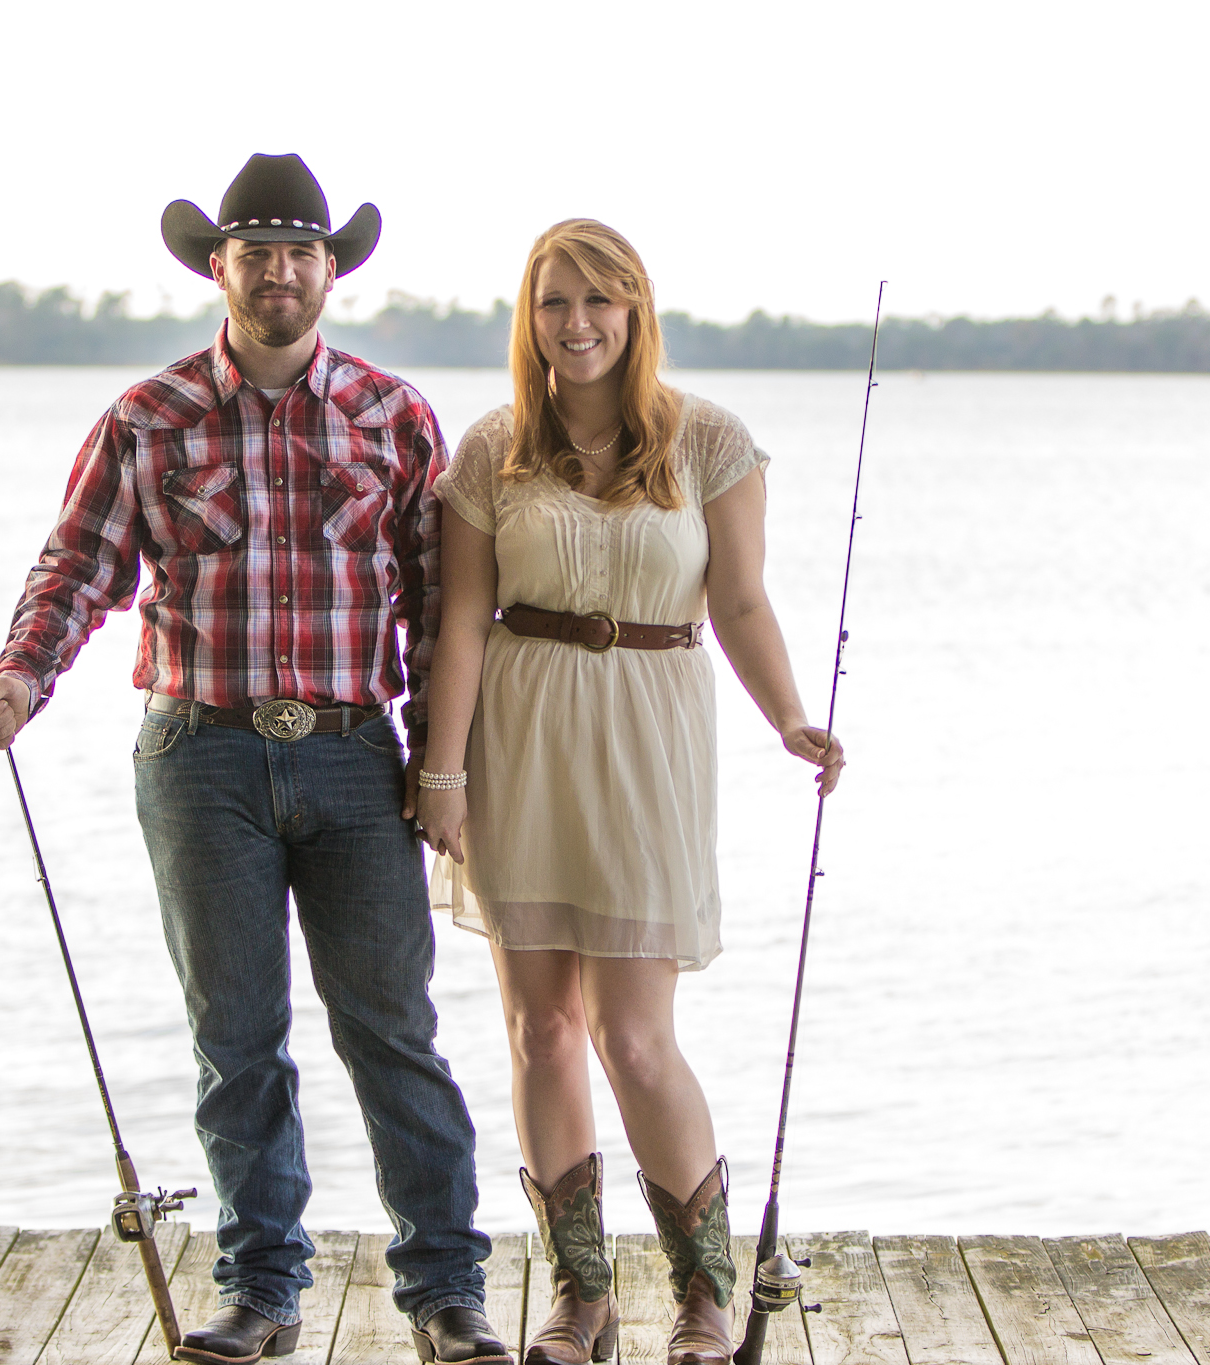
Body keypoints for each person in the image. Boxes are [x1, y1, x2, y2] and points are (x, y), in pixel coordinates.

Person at [0, 154, 509, 1365]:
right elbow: (75, 571)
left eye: (299, 252)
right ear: (217, 269)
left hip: (358, 761)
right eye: (254, 252)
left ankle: (445, 1293)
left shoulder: (392, 413)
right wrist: (22, 676)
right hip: (197, 758)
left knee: (393, 1031)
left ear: (330, 271)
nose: (278, 271)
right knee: (236, 1038)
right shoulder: (147, 418)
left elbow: (435, 605)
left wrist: (443, 766)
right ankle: (260, 1287)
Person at [415, 220, 846, 1365]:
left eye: (601, 300)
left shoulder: (707, 441)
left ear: (636, 311)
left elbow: (743, 604)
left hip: (652, 729)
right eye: (555, 302)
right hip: (519, 737)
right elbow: (460, 620)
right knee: (538, 1026)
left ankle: (703, 1295)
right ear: (530, 318)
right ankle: (580, 1296)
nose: (577, 323)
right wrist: (441, 773)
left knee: (635, 1036)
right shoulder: (489, 450)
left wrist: (792, 717)